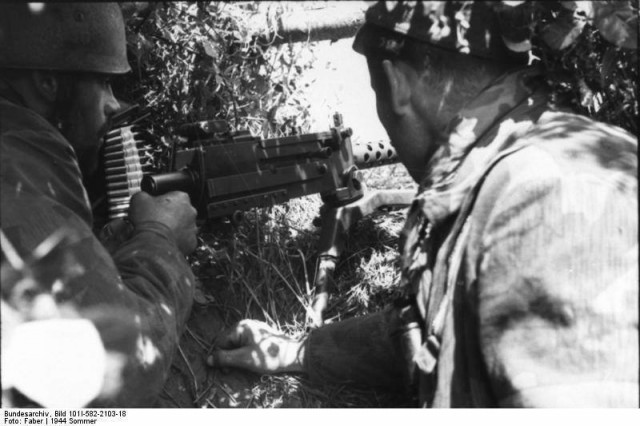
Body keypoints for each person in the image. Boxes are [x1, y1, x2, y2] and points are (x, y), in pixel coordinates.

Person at [208, 1, 639, 407]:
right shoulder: (527, 164)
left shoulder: (543, 193)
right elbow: (443, 334)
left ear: (395, 85)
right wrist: (302, 351)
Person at [0, 3, 197, 407]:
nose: (114, 105)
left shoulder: (21, 160)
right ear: (47, 84)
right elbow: (121, 370)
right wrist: (161, 241)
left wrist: (108, 256)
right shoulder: (21, 192)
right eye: (104, 83)